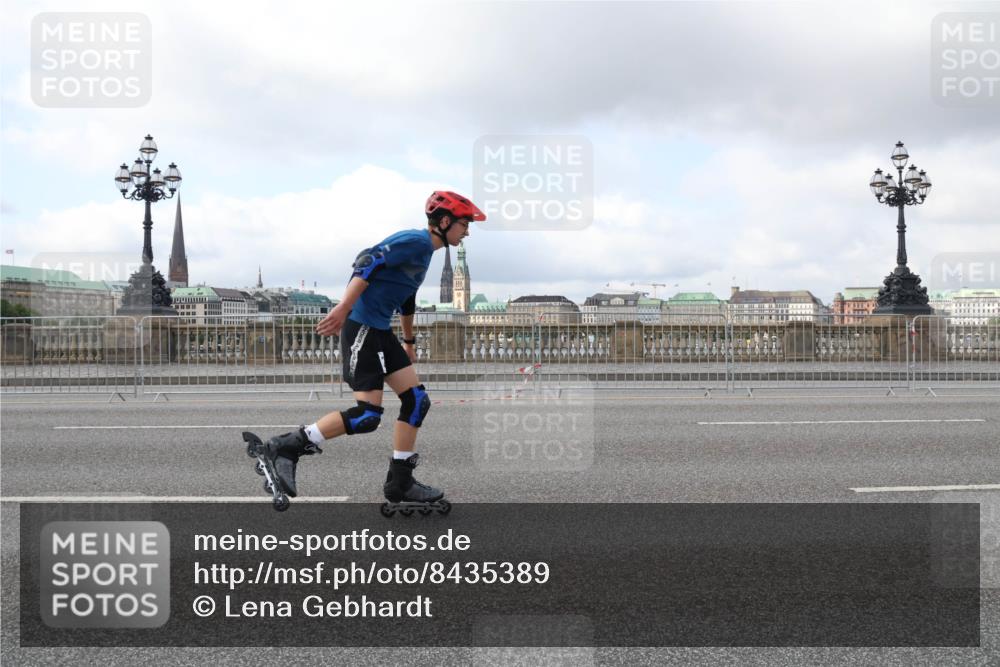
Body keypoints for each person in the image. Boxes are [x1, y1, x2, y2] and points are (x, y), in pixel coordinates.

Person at [260, 191, 485, 505]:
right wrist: (343, 308)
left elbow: (406, 299)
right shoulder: (416, 242)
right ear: (445, 221)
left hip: (381, 332)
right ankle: (286, 446)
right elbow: (368, 261)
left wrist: (408, 341)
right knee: (367, 416)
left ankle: (400, 483)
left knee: (417, 401)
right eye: (464, 224)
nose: (467, 232)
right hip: (362, 327)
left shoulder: (425, 254)